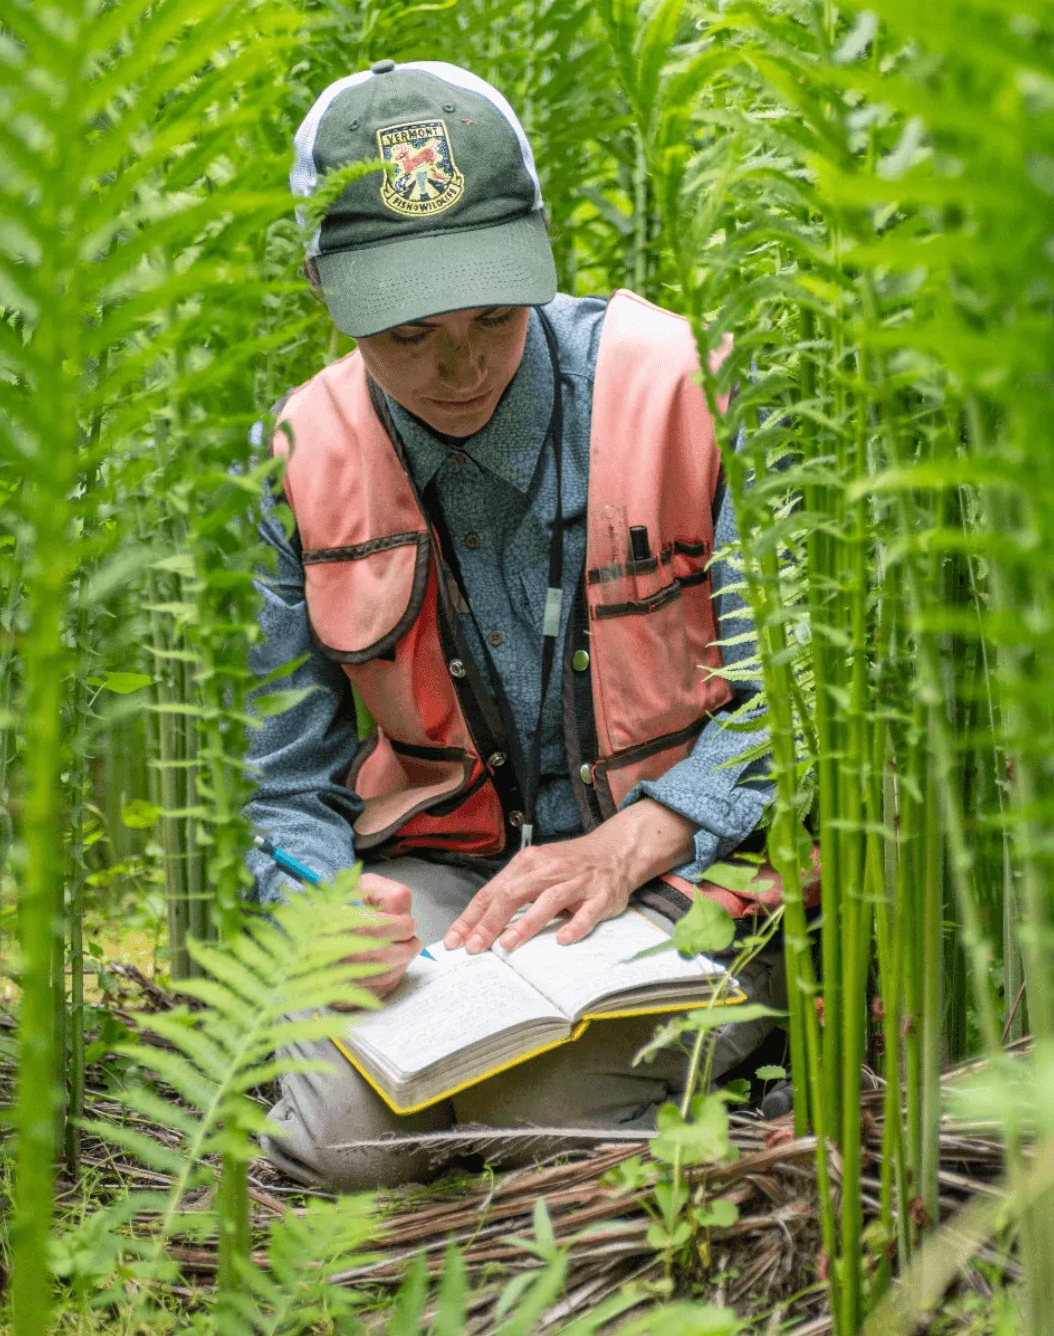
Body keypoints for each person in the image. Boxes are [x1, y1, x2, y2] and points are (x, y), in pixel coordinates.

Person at [246, 60, 783, 1192]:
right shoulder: (299, 461)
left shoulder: (686, 391)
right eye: (406, 333)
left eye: (495, 311)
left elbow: (806, 696)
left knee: (546, 1108)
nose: (461, 364)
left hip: (690, 866)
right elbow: (281, 788)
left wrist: (646, 834)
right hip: (450, 894)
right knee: (345, 1137)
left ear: (539, 243)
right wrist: (322, 902)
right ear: (322, 289)